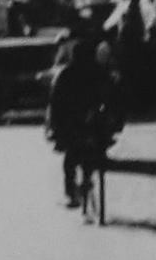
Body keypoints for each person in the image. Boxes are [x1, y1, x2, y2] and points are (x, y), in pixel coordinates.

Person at [46, 38, 117, 209]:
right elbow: (110, 97)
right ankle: (85, 181)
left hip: (73, 126)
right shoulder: (98, 72)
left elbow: (55, 104)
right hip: (92, 123)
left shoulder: (65, 74)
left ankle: (71, 192)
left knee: (70, 157)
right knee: (92, 153)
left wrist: (55, 128)